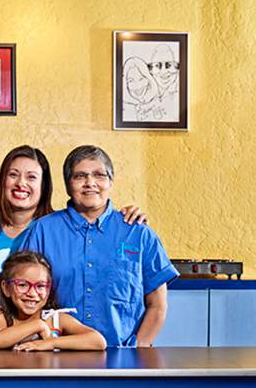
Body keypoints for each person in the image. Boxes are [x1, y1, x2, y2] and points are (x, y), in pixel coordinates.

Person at [19, 145, 179, 347]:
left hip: (122, 359)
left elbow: (157, 305)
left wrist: (137, 350)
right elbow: (20, 297)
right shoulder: (42, 231)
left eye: (99, 175)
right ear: (68, 185)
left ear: (110, 182)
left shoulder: (138, 233)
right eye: (80, 176)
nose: (90, 183)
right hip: (55, 356)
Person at [0, 145, 145, 270]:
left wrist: (128, 217)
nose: (21, 183)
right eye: (13, 175)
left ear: (44, 185)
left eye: (31, 177)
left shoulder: (52, 229)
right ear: (3, 180)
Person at [0, 251, 106, 351]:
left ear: (49, 290)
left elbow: (98, 341)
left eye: (40, 286)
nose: (32, 294)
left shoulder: (55, 320)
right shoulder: (3, 316)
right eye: (23, 285)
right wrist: (37, 325)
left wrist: (51, 343)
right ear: (6, 288)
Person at [122, 57, 164, 122]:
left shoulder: (159, 101)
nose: (138, 86)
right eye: (130, 81)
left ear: (149, 79)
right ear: (125, 84)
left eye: (141, 79)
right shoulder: (123, 107)